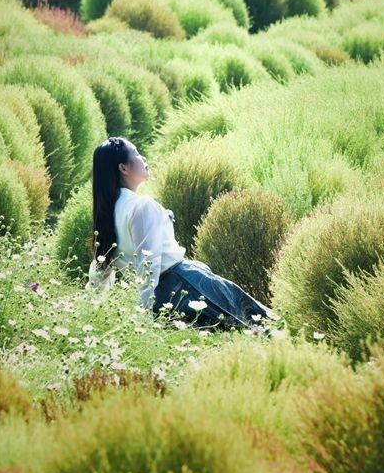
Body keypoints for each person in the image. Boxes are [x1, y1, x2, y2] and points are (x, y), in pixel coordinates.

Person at [87, 138, 277, 329]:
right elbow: (148, 262)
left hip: (163, 297)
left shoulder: (107, 212)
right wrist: (142, 317)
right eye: (136, 153)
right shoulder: (141, 205)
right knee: (259, 326)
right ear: (123, 168)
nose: (142, 157)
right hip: (185, 285)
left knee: (236, 333)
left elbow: (101, 267)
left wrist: (90, 307)